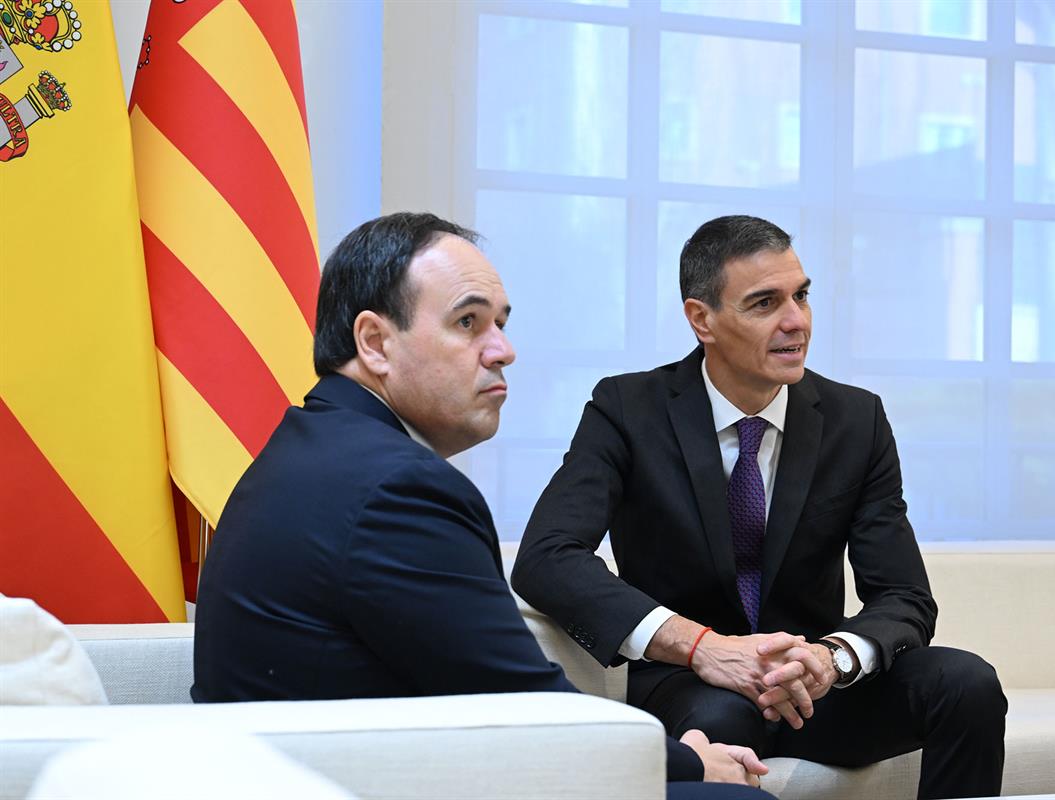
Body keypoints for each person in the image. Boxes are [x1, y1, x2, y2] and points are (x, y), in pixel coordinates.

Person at [191, 212, 772, 799]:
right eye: (468, 322)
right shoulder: (397, 489)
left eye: (501, 323)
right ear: (374, 343)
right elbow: (525, 707)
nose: (504, 351)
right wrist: (690, 762)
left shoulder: (313, 448)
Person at [512, 215, 1007, 800]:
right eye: (764, 303)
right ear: (703, 320)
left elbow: (904, 596)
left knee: (968, 683)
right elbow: (547, 556)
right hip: (690, 680)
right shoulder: (627, 408)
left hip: (812, 686)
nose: (795, 321)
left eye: (801, 295)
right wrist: (701, 647)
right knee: (720, 723)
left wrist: (833, 659)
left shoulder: (856, 420)